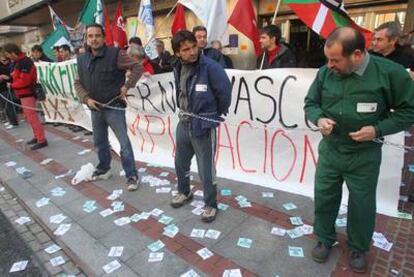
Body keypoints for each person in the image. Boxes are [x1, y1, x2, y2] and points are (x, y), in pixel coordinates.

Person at [304, 27, 414, 273]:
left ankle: (358, 247)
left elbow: (409, 111)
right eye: (327, 59)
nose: (329, 65)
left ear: (356, 55)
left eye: (335, 60)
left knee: (362, 203)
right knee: (324, 196)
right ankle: (324, 238)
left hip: (364, 155)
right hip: (332, 151)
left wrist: (377, 130)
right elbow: (311, 103)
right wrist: (319, 119)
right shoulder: (325, 73)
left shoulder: (390, 73)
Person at [170, 30, 231, 222]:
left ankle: (210, 204)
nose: (192, 52)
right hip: (184, 122)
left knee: (205, 168)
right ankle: (184, 191)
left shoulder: (211, 67)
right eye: (186, 49)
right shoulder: (177, 66)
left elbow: (225, 95)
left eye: (193, 46)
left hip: (203, 125)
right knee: (180, 161)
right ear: (178, 53)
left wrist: (211, 115)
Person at [74, 24, 143, 191]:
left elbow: (137, 67)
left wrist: (127, 86)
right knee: (100, 142)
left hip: (113, 107)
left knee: (124, 144)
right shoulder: (82, 58)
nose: (94, 39)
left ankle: (132, 175)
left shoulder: (115, 54)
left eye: (97, 35)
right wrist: (86, 99)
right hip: (95, 108)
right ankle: (104, 169)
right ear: (87, 39)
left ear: (104, 38)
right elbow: (78, 83)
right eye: (90, 36)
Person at [3, 43, 48, 150]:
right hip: (22, 94)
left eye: (8, 54)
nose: (7, 57)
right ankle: (37, 136)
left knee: (32, 117)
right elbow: (16, 76)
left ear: (13, 53)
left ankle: (42, 139)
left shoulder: (25, 62)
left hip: (27, 93)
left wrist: (12, 85)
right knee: (29, 117)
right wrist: (8, 78)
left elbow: (25, 81)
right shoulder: (18, 62)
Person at [0, 49, 18, 126]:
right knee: (5, 106)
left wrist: (4, 77)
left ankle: (14, 122)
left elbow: (9, 77)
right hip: (2, 89)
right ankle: (10, 121)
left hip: (5, 88)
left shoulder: (2, 66)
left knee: (9, 106)